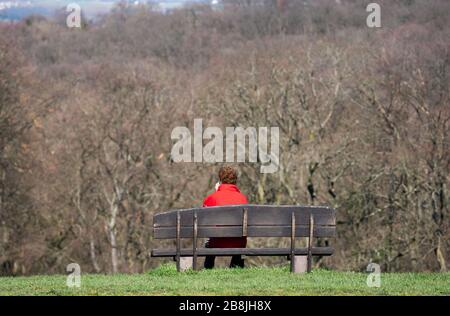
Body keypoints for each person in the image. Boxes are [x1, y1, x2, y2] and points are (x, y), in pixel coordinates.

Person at [203, 166, 248, 269]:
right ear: (235, 181)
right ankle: (236, 268)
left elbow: (205, 221)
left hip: (217, 241)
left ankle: (208, 269)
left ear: (220, 180)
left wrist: (216, 191)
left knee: (209, 241)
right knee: (240, 240)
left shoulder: (212, 197)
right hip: (238, 243)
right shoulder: (242, 198)